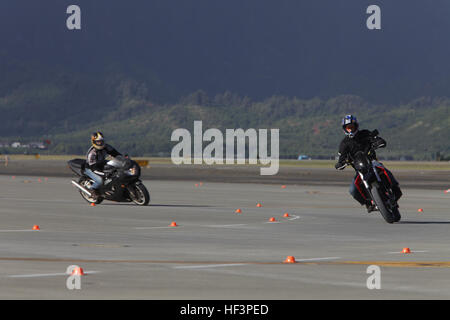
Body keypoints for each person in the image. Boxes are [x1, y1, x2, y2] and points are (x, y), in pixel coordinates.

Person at [334, 115, 402, 212]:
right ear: (345, 129)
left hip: (372, 162)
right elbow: (341, 157)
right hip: (360, 169)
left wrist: (379, 141)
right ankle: (368, 203)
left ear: (356, 126)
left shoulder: (365, 133)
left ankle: (395, 188)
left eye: (352, 127)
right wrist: (340, 163)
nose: (351, 129)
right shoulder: (344, 143)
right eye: (348, 128)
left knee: (385, 171)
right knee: (352, 189)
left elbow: (375, 138)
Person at [85, 132, 122, 199]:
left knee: (116, 167)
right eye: (98, 142)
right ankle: (92, 189)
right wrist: (104, 174)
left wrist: (123, 158)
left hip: (101, 163)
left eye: (101, 141)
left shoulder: (106, 146)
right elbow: (94, 168)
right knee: (100, 180)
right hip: (90, 168)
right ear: (94, 142)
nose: (100, 143)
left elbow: (115, 153)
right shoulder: (92, 153)